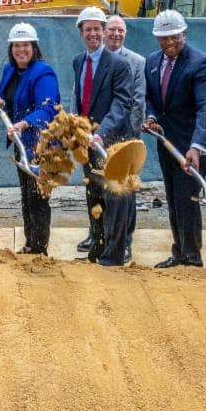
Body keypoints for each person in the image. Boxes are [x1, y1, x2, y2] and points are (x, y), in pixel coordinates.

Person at [143, 9, 206, 268]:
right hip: (167, 143)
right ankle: (179, 252)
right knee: (174, 197)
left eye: (174, 36)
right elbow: (151, 99)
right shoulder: (153, 61)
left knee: (188, 199)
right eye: (163, 38)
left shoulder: (202, 63)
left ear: (184, 33)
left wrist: (197, 147)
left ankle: (192, 258)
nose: (169, 43)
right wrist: (152, 117)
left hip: (192, 146)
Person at [0, 23, 60, 255]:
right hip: (21, 143)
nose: (21, 49)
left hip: (41, 144)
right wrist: (0, 104)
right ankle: (30, 244)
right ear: (11, 48)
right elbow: (9, 100)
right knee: (26, 195)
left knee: (38, 197)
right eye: (17, 45)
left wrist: (25, 122)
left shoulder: (43, 72)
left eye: (26, 45)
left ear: (34, 47)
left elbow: (48, 108)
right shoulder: (10, 71)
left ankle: (39, 250)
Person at [77, 14, 145, 259]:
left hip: (114, 140)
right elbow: (82, 102)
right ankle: (98, 245)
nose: (93, 34)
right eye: (88, 29)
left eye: (97, 29)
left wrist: (102, 133)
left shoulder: (120, 64)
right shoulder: (79, 62)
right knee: (94, 192)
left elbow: (123, 103)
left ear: (103, 32)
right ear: (81, 33)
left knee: (117, 197)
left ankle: (115, 254)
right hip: (88, 140)